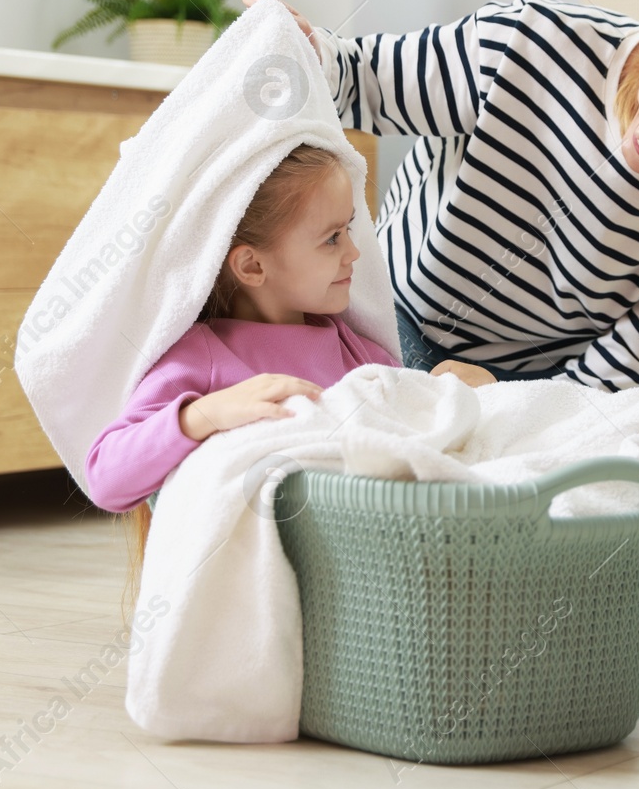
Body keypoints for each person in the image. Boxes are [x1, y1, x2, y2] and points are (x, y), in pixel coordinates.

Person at [243, 0, 639, 392]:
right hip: (389, 314)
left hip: (534, 380)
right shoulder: (533, 44)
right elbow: (360, 80)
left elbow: (609, 379)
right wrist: (303, 48)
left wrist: (502, 399)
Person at [83, 144, 494, 610]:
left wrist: (451, 391)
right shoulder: (202, 358)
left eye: (350, 230)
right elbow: (105, 477)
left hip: (365, 591)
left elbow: (412, 442)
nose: (355, 252)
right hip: (264, 599)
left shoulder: (356, 349)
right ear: (252, 266)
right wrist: (204, 414)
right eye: (332, 238)